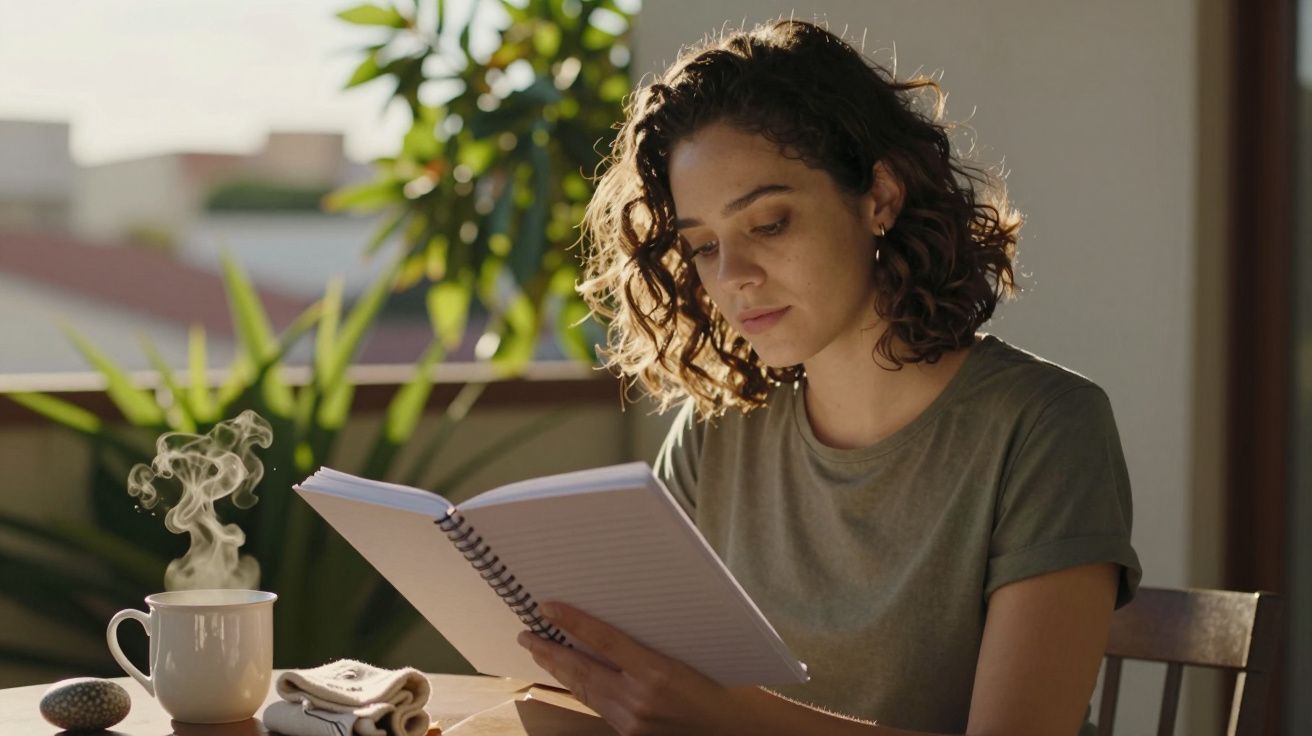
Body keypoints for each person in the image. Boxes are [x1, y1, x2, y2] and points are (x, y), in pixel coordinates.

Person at [515, 18, 1142, 736]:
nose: (734, 276)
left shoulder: (1045, 427)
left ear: (880, 195)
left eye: (770, 223)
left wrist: (733, 720)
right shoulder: (716, 434)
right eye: (702, 246)